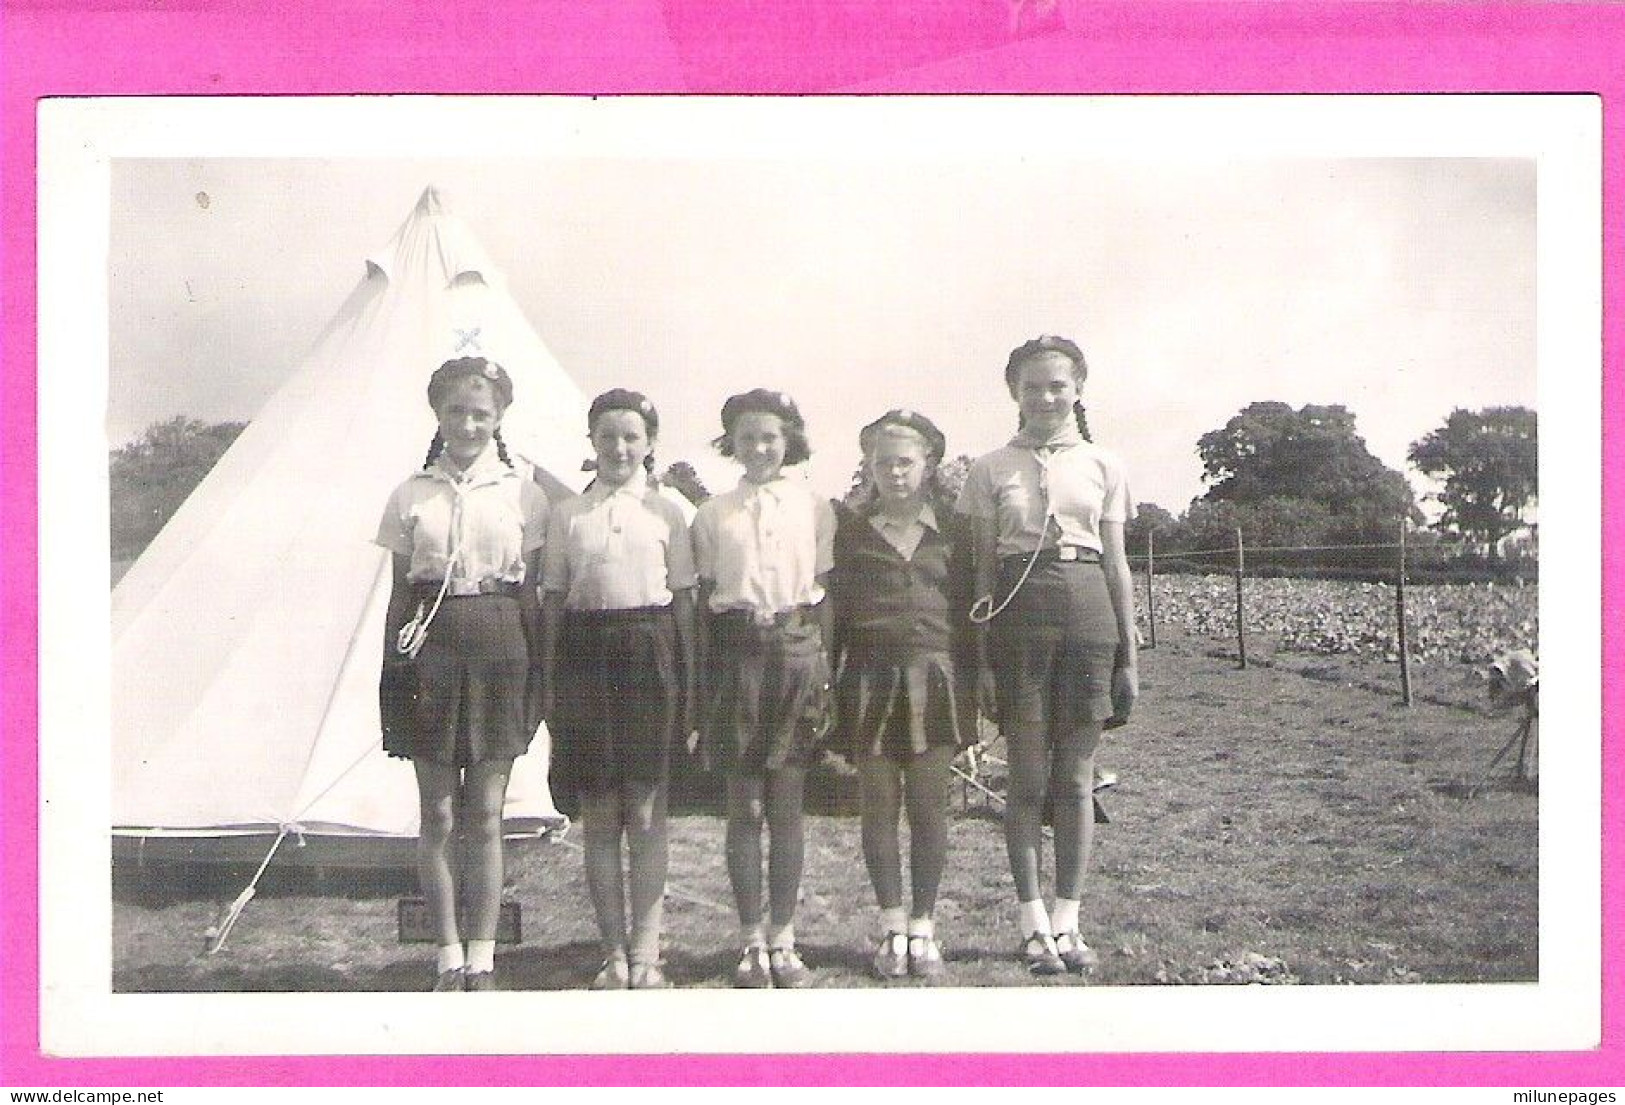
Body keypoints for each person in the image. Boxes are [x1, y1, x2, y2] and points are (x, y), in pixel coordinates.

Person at [956, 335, 1138, 976]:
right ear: (1015, 392)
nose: (1046, 396)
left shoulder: (1104, 465)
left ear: (1078, 389)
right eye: (1032, 385)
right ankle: (1032, 924)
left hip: (1088, 611)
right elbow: (981, 568)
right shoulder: (989, 469)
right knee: (1028, 778)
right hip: (1018, 613)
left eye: (1058, 384)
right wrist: (978, 656)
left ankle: (1070, 921)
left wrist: (1129, 654)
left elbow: (1116, 562)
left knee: (1077, 779)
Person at [376, 356, 549, 992]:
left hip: (501, 642)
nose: (469, 424)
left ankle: (484, 955)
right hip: (433, 646)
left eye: (482, 413)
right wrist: (395, 670)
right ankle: (446, 955)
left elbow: (531, 594)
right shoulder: (410, 493)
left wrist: (537, 677)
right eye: (457, 411)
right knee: (440, 813)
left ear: (500, 417)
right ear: (438, 415)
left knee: (487, 813)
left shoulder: (524, 494)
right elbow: (399, 594)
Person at [540, 389, 697, 990]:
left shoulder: (669, 512)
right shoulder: (568, 515)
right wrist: (551, 680)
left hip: (649, 650)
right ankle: (614, 954)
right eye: (607, 436)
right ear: (592, 443)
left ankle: (649, 954)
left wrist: (686, 683)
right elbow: (553, 599)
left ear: (650, 443)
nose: (619, 447)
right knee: (600, 815)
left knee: (647, 810)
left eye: (631, 436)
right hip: (585, 656)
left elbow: (683, 603)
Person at [691, 388, 834, 989]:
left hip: (796, 651)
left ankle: (784, 938)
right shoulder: (711, 513)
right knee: (744, 808)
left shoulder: (816, 507)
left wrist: (824, 670)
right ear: (732, 444)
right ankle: (750, 940)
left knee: (787, 807)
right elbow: (701, 602)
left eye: (770, 436)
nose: (759, 447)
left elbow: (825, 595)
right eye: (747, 437)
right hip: (736, 655)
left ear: (789, 441)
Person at [830, 409, 976, 981]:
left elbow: (969, 618)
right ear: (868, 467)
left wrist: (973, 682)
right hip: (868, 680)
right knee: (879, 808)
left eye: (906, 462)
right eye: (882, 462)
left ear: (929, 465)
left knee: (928, 809)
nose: (894, 472)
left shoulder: (954, 534)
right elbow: (835, 615)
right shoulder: (850, 535)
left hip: (935, 682)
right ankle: (891, 927)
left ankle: (923, 928)